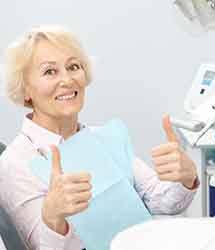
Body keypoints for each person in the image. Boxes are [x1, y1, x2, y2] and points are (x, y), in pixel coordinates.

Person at [0, 25, 199, 250]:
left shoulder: (103, 137)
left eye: (73, 67)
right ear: (25, 89)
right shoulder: (15, 162)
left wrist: (185, 178)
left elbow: (159, 200)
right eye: (50, 71)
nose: (67, 80)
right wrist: (53, 218)